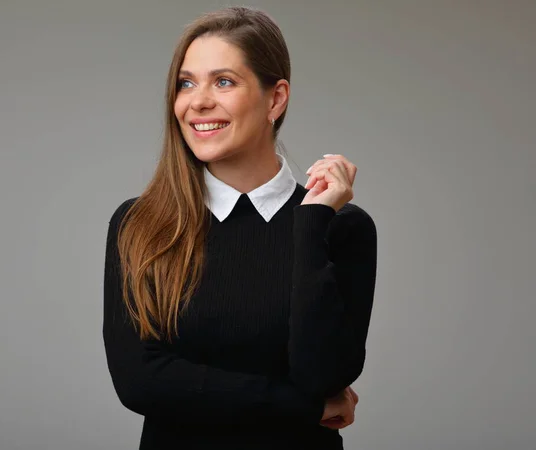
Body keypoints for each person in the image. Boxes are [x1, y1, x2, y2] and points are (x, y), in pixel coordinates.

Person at [103, 6, 377, 450]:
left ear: (275, 99)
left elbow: (322, 373)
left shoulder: (340, 227)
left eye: (224, 81)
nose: (198, 101)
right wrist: (300, 406)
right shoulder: (140, 224)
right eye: (186, 83)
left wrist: (310, 220)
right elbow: (139, 381)